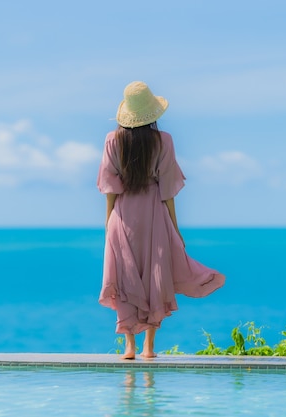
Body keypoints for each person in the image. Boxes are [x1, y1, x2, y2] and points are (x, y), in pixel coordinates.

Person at [97, 81, 225, 360]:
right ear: (151, 112)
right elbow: (168, 189)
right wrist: (174, 228)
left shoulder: (112, 140)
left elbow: (110, 187)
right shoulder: (163, 140)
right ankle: (149, 347)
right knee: (156, 275)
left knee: (126, 275)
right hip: (154, 213)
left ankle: (129, 346)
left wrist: (109, 222)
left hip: (123, 214)